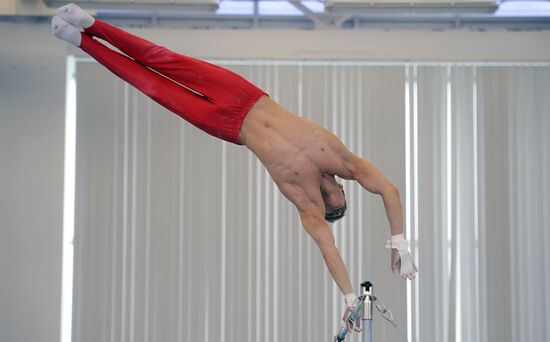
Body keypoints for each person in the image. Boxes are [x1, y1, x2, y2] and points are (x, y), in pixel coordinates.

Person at [52, 4, 418, 333]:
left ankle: (81, 41)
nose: (335, 198)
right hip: (245, 96)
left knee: (153, 86)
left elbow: (329, 249)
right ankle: (91, 25)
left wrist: (350, 298)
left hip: (228, 126)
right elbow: (389, 190)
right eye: (340, 200)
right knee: (162, 59)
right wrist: (399, 241)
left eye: (333, 207)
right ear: (344, 188)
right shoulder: (342, 160)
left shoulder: (305, 201)